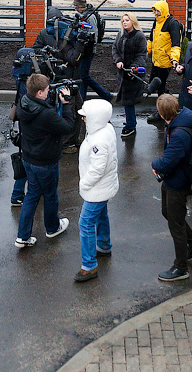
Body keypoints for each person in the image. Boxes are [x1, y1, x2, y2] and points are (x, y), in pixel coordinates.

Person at [15, 73, 74, 248]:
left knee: (32, 195)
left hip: (28, 158)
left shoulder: (23, 102)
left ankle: (22, 236)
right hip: (46, 162)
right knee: (50, 195)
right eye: (47, 90)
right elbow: (68, 128)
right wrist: (67, 105)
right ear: (39, 93)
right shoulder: (47, 114)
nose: (49, 92)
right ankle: (52, 227)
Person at [152, 94, 192, 281]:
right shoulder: (183, 119)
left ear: (163, 113)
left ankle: (181, 268)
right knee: (169, 213)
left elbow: (167, 161)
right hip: (173, 181)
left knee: (176, 224)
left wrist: (155, 163)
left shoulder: (178, 134)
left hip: (177, 183)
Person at [74, 99, 119, 282]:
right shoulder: (105, 129)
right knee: (101, 215)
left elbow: (97, 169)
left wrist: (83, 184)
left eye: (85, 116)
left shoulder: (98, 140)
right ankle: (103, 245)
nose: (83, 119)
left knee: (85, 224)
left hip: (96, 189)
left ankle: (89, 266)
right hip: (104, 187)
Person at [32, 6, 84, 153]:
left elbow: (35, 50)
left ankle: (71, 139)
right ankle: (67, 143)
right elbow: (75, 57)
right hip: (67, 78)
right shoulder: (66, 34)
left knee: (75, 108)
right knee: (72, 110)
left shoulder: (44, 34)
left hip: (54, 78)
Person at [146, 0, 182, 124]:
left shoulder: (172, 24)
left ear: (164, 10)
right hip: (156, 60)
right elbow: (151, 39)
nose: (156, 13)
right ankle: (173, 104)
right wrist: (146, 51)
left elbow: (176, 44)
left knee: (160, 87)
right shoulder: (156, 22)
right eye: (155, 11)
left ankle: (162, 112)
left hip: (166, 62)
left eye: (158, 10)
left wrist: (174, 60)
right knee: (153, 84)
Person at [112, 13, 147, 139]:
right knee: (126, 100)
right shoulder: (120, 34)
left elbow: (142, 55)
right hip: (123, 73)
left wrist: (134, 67)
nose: (124, 22)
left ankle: (131, 125)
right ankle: (130, 122)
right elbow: (114, 49)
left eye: (127, 20)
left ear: (133, 21)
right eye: (123, 21)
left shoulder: (139, 36)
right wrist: (118, 61)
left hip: (133, 73)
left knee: (129, 100)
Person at [72, 0, 113, 101]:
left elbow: (93, 35)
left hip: (88, 50)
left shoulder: (90, 17)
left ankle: (105, 94)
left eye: (77, 7)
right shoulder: (82, 15)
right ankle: (82, 98)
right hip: (82, 49)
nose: (75, 9)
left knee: (84, 76)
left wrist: (82, 37)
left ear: (82, 6)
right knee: (82, 75)